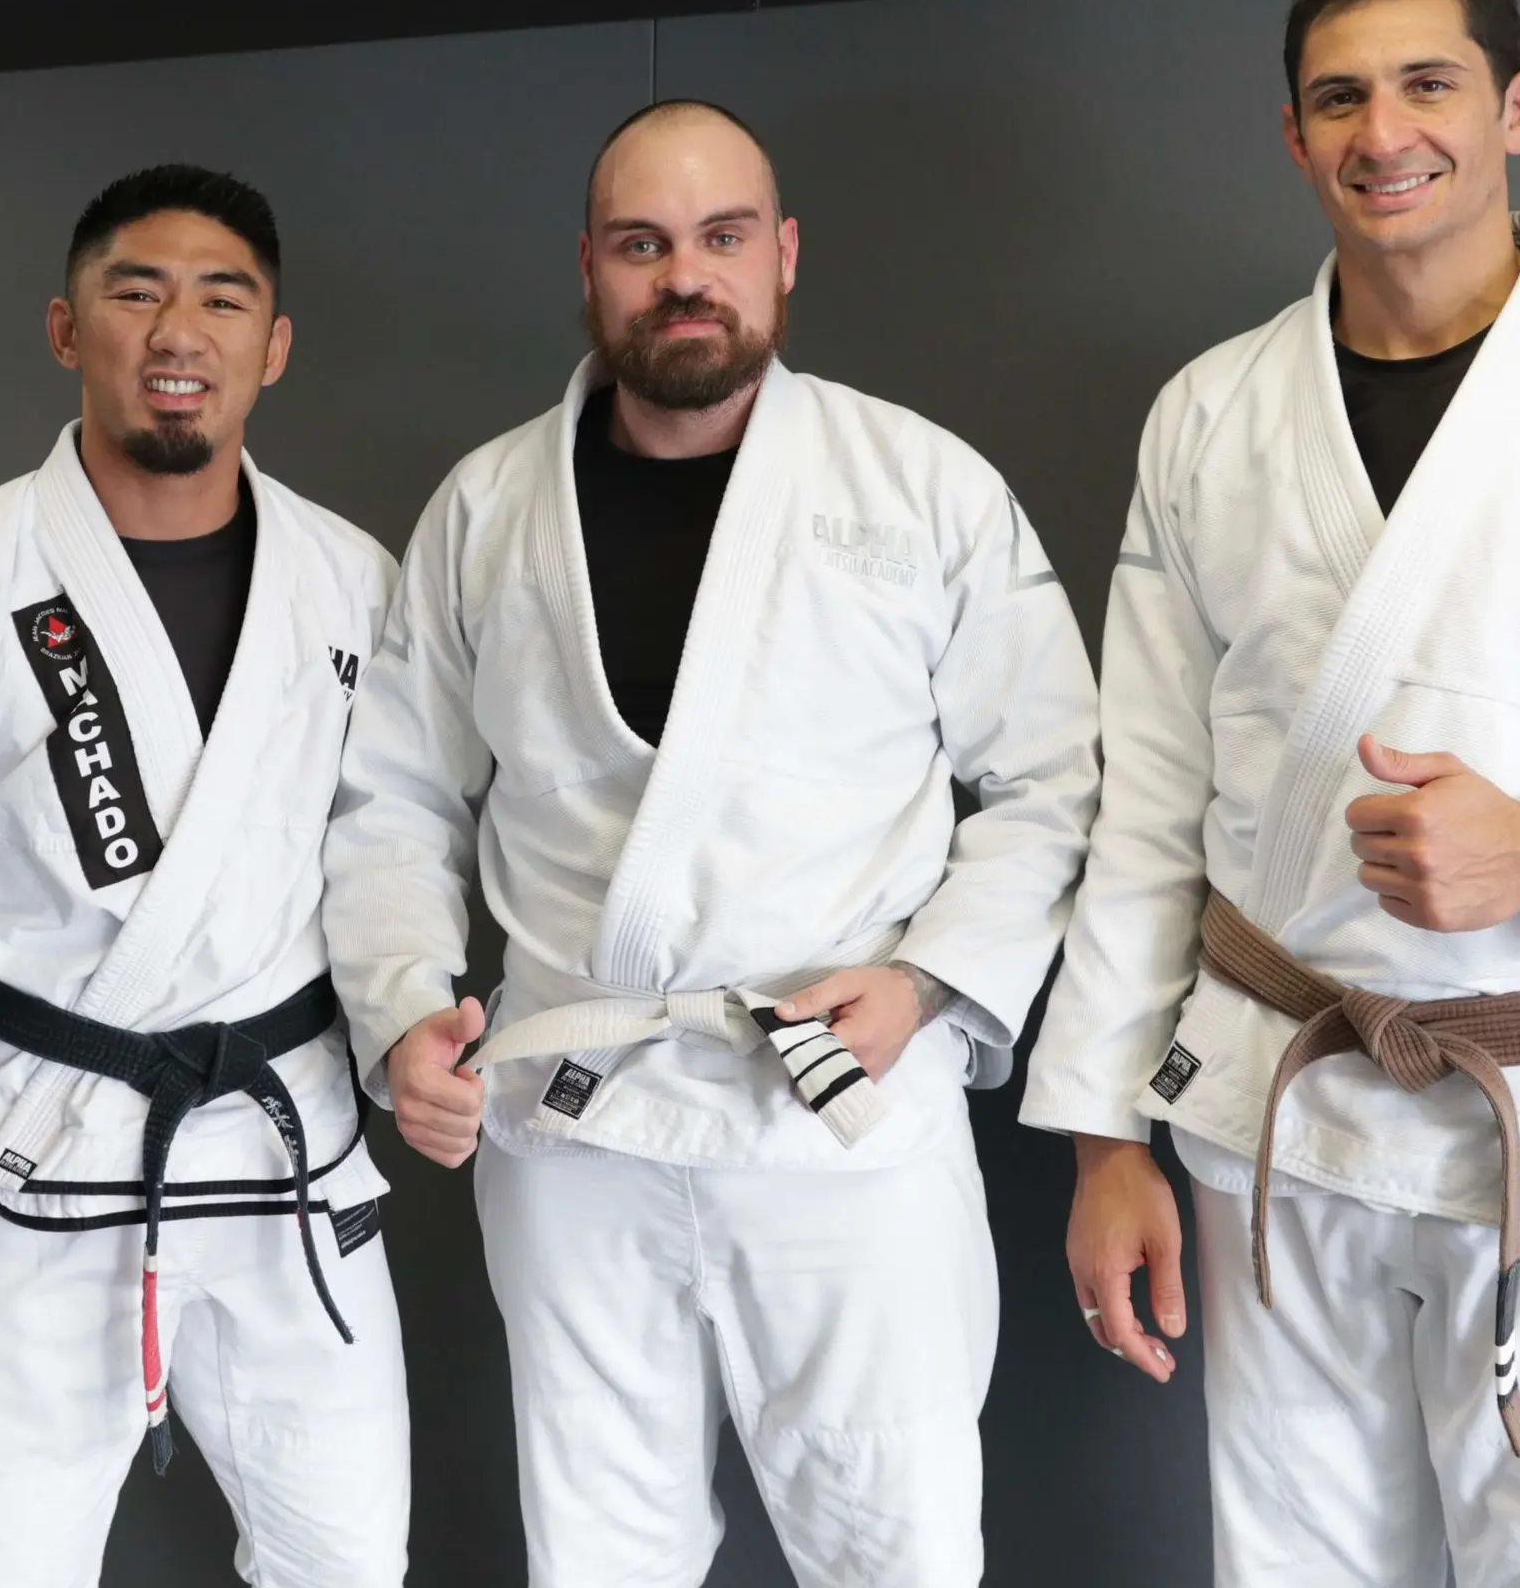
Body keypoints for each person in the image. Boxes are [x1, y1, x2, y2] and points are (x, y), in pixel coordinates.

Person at [1023, 0, 1520, 1586]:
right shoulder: (1212, 414)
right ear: (1294, 137)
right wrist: (1100, 1137)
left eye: (1429, 84)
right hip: (1281, 1116)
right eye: (1340, 96)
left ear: (1518, 107)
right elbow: (1144, 806)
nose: (1385, 132)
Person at [323, 99, 1099, 1587]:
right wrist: (408, 1009)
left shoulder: (921, 487)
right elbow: (396, 799)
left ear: (785, 254)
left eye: (723, 237)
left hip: (834, 1104)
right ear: (590, 267)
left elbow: (1055, 785)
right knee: (598, 1545)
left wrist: (926, 985)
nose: (686, 276)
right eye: (643, 243)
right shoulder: (487, 510)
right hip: (573, 1119)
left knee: (899, 1544)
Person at [0, 166, 410, 1588]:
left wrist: (420, 1022)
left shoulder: (354, 583)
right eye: (135, 290)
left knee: (347, 1558)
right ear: (64, 328)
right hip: (52, 1133)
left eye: (224, 299)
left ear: (271, 348)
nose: (179, 329)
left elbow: (403, 848)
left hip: (289, 1143)